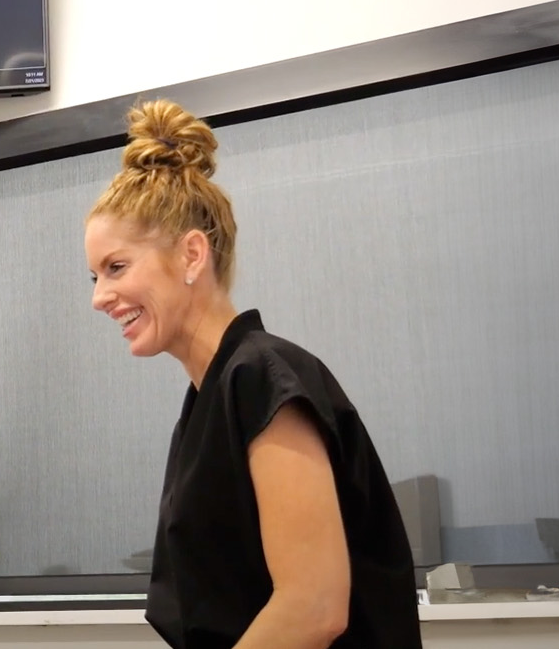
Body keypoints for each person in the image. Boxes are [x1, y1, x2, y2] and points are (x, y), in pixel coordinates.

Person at [82, 100, 421, 648]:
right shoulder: (210, 396)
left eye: (116, 267)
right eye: (94, 275)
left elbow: (312, 607)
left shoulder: (261, 379)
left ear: (193, 255)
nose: (100, 298)